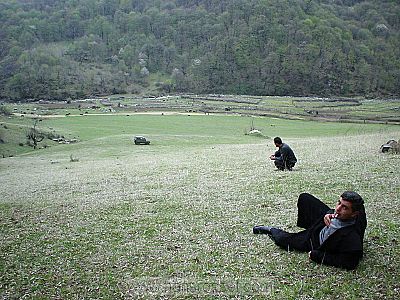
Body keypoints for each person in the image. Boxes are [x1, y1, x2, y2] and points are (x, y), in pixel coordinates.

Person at [253, 192, 367, 270]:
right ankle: (308, 225)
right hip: (321, 223)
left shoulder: (351, 237)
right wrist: (329, 213)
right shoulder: (354, 214)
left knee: (283, 240)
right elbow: (359, 209)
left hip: (313, 240)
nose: (338, 208)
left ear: (354, 214)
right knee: (305, 198)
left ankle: (270, 230)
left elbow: (350, 263)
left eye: (344, 207)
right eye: (339, 203)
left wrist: (316, 255)